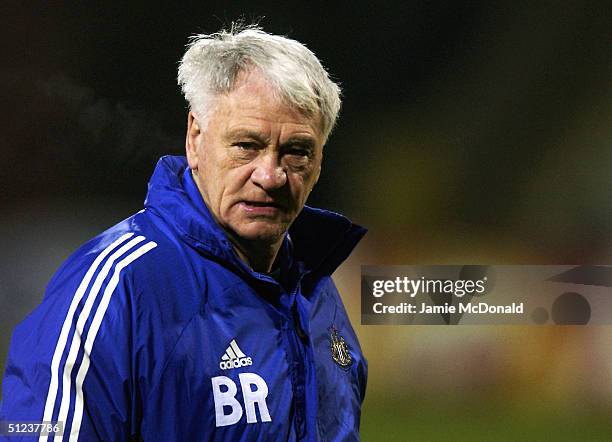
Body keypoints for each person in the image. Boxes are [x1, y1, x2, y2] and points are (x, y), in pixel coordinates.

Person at [1, 25, 367, 441]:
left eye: (297, 151)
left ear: (320, 161)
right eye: (246, 145)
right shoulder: (117, 290)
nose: (271, 176)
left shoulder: (316, 295)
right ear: (196, 139)